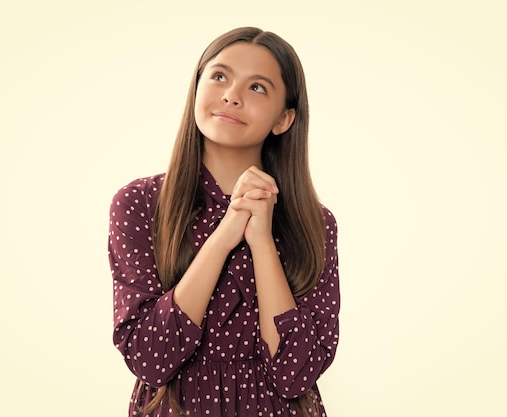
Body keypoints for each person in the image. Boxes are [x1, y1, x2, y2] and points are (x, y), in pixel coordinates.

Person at [107, 26, 340, 417]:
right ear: (196, 88)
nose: (231, 95)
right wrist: (224, 235)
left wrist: (262, 241)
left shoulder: (314, 224)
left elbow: (296, 375)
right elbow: (150, 359)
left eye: (258, 88)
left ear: (284, 118)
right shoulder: (140, 204)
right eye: (219, 76)